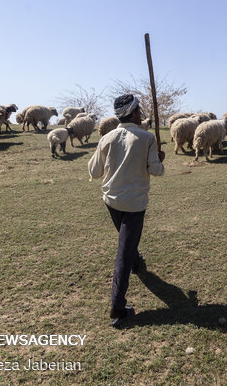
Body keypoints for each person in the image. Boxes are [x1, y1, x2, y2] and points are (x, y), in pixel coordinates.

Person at [88, 94, 165, 327]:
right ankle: (117, 307)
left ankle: (136, 261)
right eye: (139, 110)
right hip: (134, 203)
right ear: (133, 113)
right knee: (124, 249)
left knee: (127, 242)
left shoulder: (107, 138)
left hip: (111, 201)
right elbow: (157, 171)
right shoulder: (146, 137)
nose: (141, 114)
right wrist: (160, 159)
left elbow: (94, 172)